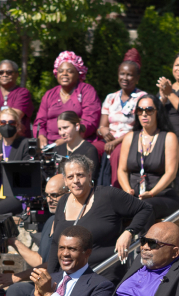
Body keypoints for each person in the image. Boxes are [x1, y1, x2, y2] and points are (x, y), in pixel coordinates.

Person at [47, 154, 153, 285]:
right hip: (69, 278)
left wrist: (129, 232)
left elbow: (145, 209)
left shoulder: (108, 195)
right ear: (65, 180)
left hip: (102, 275)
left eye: (80, 175)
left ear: (90, 175)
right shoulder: (63, 201)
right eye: (70, 177)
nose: (75, 180)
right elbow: (55, 244)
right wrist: (50, 278)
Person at [118, 95, 179, 220]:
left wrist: (152, 193)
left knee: (145, 206)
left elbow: (171, 173)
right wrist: (128, 191)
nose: (144, 114)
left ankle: (144, 240)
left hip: (161, 196)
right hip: (134, 195)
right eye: (140, 110)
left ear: (157, 112)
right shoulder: (129, 137)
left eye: (149, 110)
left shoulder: (169, 137)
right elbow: (122, 170)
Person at [35, 51, 102, 151]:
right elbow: (40, 121)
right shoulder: (49, 94)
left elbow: (90, 121)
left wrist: (69, 138)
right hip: (50, 145)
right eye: (61, 71)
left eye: (69, 71)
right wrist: (41, 137)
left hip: (78, 143)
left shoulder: (87, 90)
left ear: (78, 73)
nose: (64, 74)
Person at [99, 50, 147, 187]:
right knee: (91, 149)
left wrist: (115, 142)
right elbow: (102, 125)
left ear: (137, 78)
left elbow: (139, 129)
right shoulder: (111, 97)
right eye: (122, 74)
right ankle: (90, 190)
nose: (125, 78)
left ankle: (116, 191)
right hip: (109, 139)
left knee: (118, 152)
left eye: (130, 75)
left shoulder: (142, 97)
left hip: (130, 140)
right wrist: (103, 131)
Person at [0, 107, 37, 216]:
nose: (7, 125)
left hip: (16, 195)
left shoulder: (25, 144)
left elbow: (25, 176)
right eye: (3, 122)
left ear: (18, 126)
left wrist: (0, 163)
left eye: (11, 122)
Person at [9, 174, 69, 271]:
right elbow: (40, 261)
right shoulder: (50, 221)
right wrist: (13, 242)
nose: (49, 200)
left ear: (68, 193)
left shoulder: (70, 224)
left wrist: (17, 277)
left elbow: (53, 265)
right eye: (47, 195)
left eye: (54, 195)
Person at [0, 59, 36, 152]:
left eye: (9, 72)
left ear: (17, 74)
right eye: (1, 72)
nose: (4, 74)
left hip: (16, 142)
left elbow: (15, 116)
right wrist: (9, 125)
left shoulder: (23, 93)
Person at [53, 111, 101, 183]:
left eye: (65, 128)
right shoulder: (58, 149)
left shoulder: (89, 150)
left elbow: (91, 180)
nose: (62, 133)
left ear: (77, 126)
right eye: (60, 129)